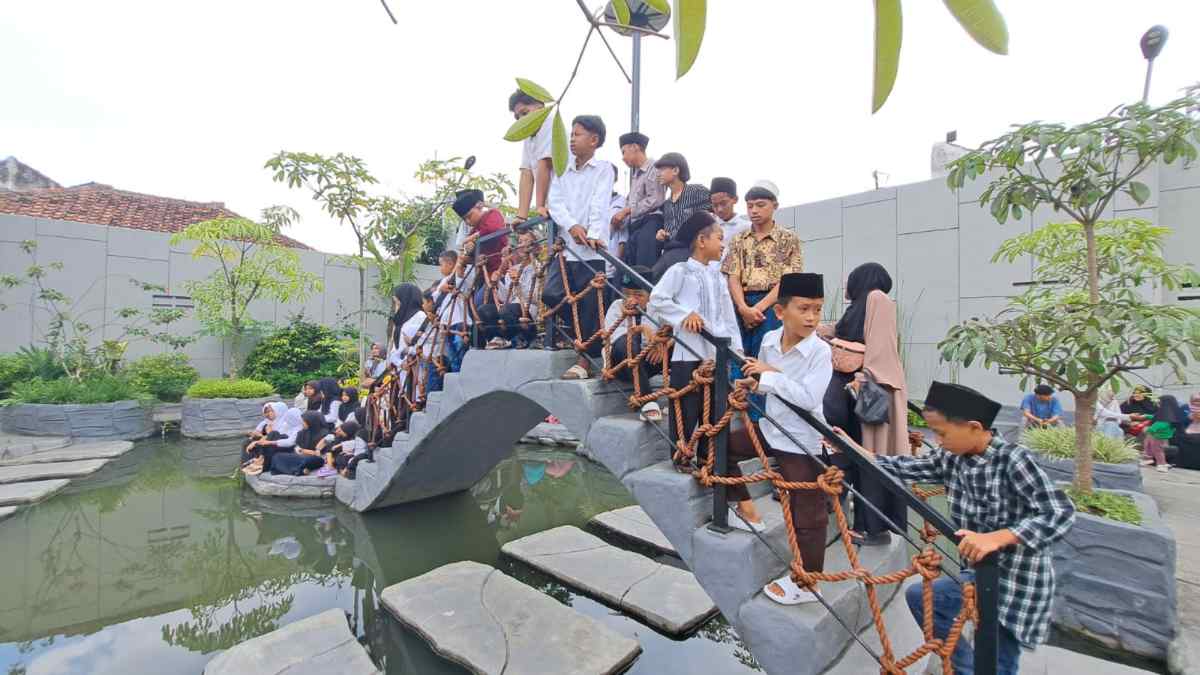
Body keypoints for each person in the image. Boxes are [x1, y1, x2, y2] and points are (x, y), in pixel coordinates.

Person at [867, 381, 1076, 674]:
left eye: (941, 433)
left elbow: (1060, 511)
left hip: (1016, 579)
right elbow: (911, 468)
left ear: (975, 427)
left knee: (998, 655)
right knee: (924, 600)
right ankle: (964, 669)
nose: (937, 441)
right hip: (977, 572)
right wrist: (865, 457)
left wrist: (999, 537)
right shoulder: (951, 457)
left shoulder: (1012, 459)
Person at [735, 272, 834, 600]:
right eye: (804, 308)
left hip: (801, 440)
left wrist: (771, 377)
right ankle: (742, 508)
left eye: (817, 309)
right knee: (718, 445)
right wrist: (753, 382)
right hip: (769, 428)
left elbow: (809, 400)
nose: (811, 317)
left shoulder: (820, 352)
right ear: (780, 312)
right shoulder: (768, 341)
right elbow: (763, 378)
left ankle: (808, 583)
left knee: (809, 513)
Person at [648, 211, 743, 473]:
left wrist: (738, 352)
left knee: (714, 410)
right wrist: (684, 315)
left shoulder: (718, 276)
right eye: (719, 238)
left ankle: (707, 459)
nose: (723, 244)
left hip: (716, 353)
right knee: (686, 409)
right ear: (702, 240)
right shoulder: (680, 270)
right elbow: (657, 299)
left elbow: (727, 317)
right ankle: (681, 457)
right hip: (688, 352)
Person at [824, 262, 909, 546]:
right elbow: (843, 332)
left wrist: (865, 376)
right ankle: (860, 522)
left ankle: (874, 529)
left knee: (871, 455)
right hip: (858, 392)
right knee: (856, 453)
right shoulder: (861, 306)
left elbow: (881, 346)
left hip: (870, 389)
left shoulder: (878, 299)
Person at [722, 180, 804, 419]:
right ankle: (738, 411)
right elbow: (732, 276)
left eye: (760, 205)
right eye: (749, 206)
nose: (754, 211)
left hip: (773, 304)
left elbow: (788, 280)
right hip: (741, 302)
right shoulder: (739, 239)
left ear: (774, 205)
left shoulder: (789, 239)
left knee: (767, 355)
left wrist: (757, 308)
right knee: (739, 355)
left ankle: (761, 417)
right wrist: (743, 307)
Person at [544, 114, 612, 380]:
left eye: (577, 134)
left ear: (594, 140)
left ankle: (584, 360)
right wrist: (572, 226)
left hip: (591, 249)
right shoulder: (562, 167)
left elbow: (600, 202)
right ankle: (581, 342)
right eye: (571, 134)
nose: (571, 139)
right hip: (567, 247)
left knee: (589, 306)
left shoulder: (603, 168)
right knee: (552, 294)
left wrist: (593, 233)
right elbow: (555, 202)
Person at [603, 265, 663, 422]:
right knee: (628, 344)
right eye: (627, 294)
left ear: (650, 296)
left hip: (649, 362)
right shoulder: (617, 307)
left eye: (638, 295)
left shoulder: (657, 308)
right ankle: (648, 401)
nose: (631, 300)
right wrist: (643, 329)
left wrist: (663, 344)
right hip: (622, 365)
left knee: (678, 346)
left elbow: (672, 329)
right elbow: (616, 339)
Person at [613, 131, 666, 268]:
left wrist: (626, 211)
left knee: (644, 268)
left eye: (624, 152)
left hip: (650, 223)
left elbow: (656, 199)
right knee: (630, 270)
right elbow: (630, 202)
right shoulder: (636, 174)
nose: (623, 158)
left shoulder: (654, 168)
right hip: (636, 226)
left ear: (635, 147)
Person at [509, 89, 554, 224]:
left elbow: (545, 164)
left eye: (525, 113)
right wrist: (521, 216)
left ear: (540, 108)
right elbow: (526, 173)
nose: (522, 120)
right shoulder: (529, 137)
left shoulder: (549, 123)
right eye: (518, 117)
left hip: (570, 200)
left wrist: (539, 206)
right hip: (552, 206)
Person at [654, 152, 711, 244]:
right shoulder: (666, 205)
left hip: (694, 250)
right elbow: (670, 234)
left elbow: (718, 209)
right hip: (672, 251)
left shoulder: (697, 191)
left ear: (675, 171)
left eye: (662, 169)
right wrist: (663, 234)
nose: (658, 174)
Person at [453, 189, 508, 276]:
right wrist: (463, 260)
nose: (467, 221)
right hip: (484, 274)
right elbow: (471, 256)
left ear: (479, 206)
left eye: (469, 216)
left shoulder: (493, 213)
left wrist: (472, 238)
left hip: (502, 271)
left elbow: (494, 228)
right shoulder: (473, 231)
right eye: (464, 219)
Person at [243, 407, 303, 475]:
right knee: (250, 442)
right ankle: (260, 458)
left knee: (273, 435)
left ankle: (262, 459)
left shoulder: (299, 428)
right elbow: (276, 434)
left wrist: (269, 440)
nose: (287, 420)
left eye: (271, 411)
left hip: (292, 447)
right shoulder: (288, 425)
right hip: (279, 443)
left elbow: (290, 442)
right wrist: (258, 440)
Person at [270, 410, 328, 476]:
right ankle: (300, 470)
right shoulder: (302, 432)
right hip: (300, 456)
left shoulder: (324, 434)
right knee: (277, 456)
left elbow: (322, 454)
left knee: (310, 460)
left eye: (304, 421)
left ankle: (297, 470)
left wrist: (310, 452)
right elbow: (297, 447)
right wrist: (301, 450)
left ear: (311, 421)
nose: (302, 423)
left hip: (314, 458)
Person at [709, 177, 750, 261]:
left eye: (724, 203)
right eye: (715, 205)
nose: (719, 209)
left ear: (735, 199)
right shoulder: (707, 228)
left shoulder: (748, 228)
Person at [1142, 395, 1182, 473]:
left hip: (1159, 436)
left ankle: (1162, 464)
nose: (1158, 405)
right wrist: (1147, 416)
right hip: (1156, 435)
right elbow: (1156, 417)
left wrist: (1149, 429)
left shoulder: (1166, 418)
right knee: (1148, 444)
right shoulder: (1166, 414)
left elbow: (1161, 424)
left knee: (1158, 450)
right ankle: (1148, 458)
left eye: (1159, 403)